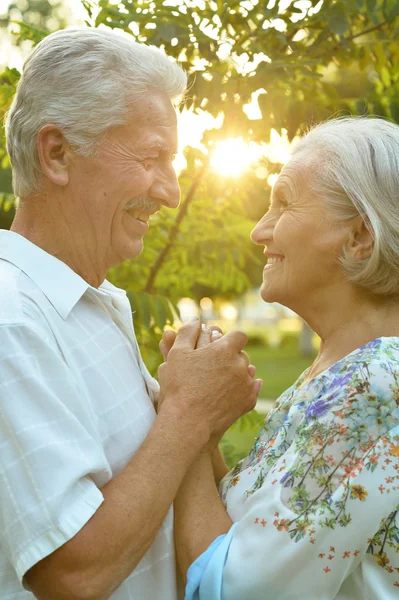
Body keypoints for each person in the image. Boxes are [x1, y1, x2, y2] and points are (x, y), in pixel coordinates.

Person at [0, 28, 262, 600]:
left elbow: (154, 479)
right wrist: (188, 411)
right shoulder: (10, 321)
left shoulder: (96, 301)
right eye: (151, 158)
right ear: (57, 154)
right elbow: (72, 573)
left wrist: (198, 414)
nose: (169, 192)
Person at [164, 117, 399, 599]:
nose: (258, 231)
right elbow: (259, 530)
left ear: (359, 236)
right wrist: (204, 428)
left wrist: (182, 413)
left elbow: (232, 588)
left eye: (284, 203)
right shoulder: (337, 373)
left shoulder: (376, 383)